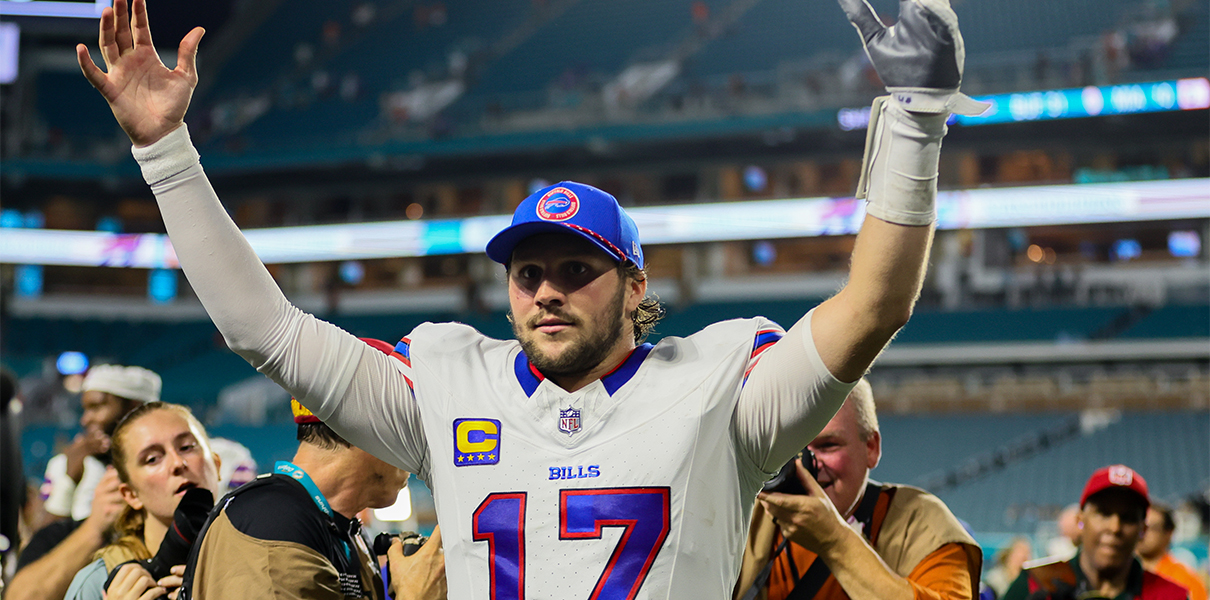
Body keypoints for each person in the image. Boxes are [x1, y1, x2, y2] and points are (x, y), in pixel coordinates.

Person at [76, 0, 986, 594]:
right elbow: (262, 331)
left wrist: (914, 118)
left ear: (636, 286)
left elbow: (873, 307)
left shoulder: (721, 391)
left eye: (576, 270)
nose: (547, 292)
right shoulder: (449, 381)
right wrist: (166, 153)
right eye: (527, 273)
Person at [181, 338, 445, 600]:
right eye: (412, 426)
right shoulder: (274, 526)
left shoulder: (334, 526)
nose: (420, 446)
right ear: (364, 423)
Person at [733, 380, 982, 600]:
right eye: (793, 449)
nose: (807, 466)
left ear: (871, 448)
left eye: (828, 445)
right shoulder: (745, 519)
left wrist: (834, 540)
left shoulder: (923, 527)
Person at [64, 401, 224, 600]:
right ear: (130, 494)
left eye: (186, 447)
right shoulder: (98, 582)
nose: (177, 463)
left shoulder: (257, 558)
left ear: (217, 465)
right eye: (152, 459)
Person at [1001, 465, 1189, 600]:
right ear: (1080, 521)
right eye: (1103, 513)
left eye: (1128, 517)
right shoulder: (1033, 584)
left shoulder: (1172, 596)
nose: (1114, 527)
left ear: (1143, 530)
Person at [1138, 503, 1207, 600]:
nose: (1144, 533)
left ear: (1168, 533)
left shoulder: (1185, 580)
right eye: (1141, 526)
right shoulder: (1121, 573)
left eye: (1152, 528)